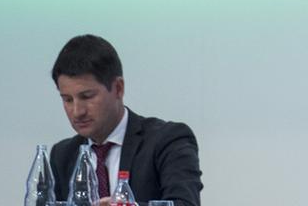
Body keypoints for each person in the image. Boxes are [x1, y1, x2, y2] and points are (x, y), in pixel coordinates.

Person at [49, 35, 202, 205]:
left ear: (118, 89)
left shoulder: (168, 140)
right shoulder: (62, 155)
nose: (77, 112)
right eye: (67, 100)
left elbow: (185, 203)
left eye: (87, 97)